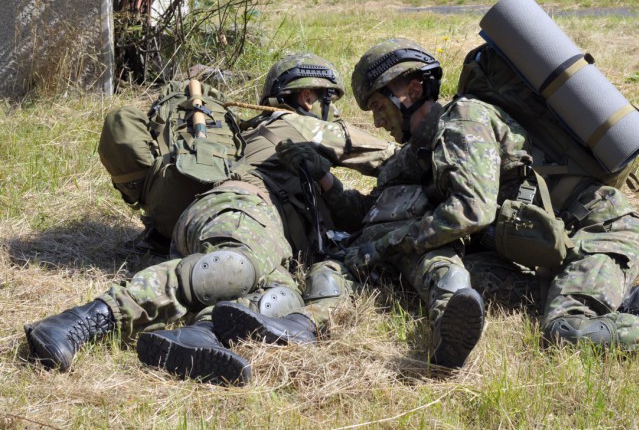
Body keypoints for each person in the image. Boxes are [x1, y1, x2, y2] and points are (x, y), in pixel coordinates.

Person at [286, 38, 639, 402]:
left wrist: (391, 245)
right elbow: (376, 207)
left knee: (565, 330)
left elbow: (470, 211)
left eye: (378, 106)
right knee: (473, 281)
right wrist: (326, 181)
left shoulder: (464, 121)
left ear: (412, 89)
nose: (376, 121)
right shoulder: (421, 149)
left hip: (599, 231)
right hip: (556, 244)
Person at [23, 54, 396, 385]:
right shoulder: (295, 123)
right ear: (308, 97)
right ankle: (82, 321)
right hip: (243, 208)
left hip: (266, 238)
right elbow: (395, 155)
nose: (331, 113)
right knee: (233, 266)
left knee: (278, 299)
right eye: (327, 102)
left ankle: (200, 334)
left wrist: (328, 183)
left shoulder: (256, 137)